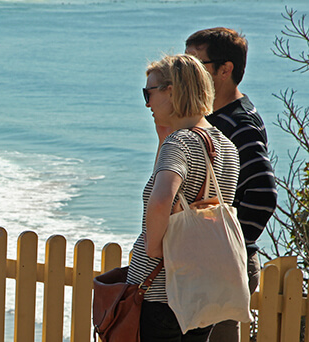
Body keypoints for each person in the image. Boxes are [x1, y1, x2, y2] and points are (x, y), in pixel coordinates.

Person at [127, 54, 240, 342]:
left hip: (161, 290)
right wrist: (163, 138)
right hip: (202, 290)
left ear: (172, 91)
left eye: (149, 92)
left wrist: (153, 249)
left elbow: (162, 198)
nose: (148, 103)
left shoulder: (180, 142)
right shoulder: (227, 147)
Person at [185, 28, 277, 342]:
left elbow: (263, 193)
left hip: (223, 265)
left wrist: (227, 246)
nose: (189, 73)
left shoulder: (238, 124)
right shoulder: (215, 117)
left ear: (226, 70)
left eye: (197, 65)